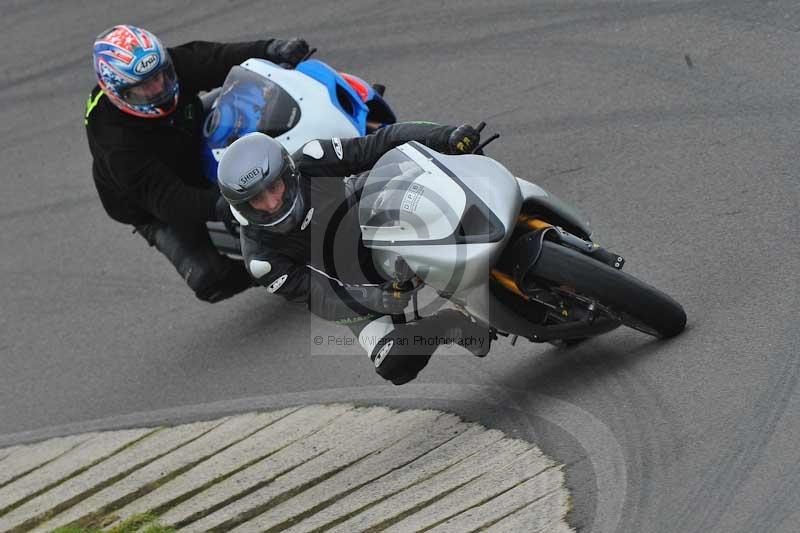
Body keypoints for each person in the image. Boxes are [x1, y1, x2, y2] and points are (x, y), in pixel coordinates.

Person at [216, 123, 492, 384]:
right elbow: (320, 298)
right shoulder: (261, 259)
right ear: (244, 207)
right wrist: (377, 300)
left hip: (377, 217)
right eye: (257, 199)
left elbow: (380, 142)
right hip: (356, 284)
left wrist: (445, 136)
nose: (272, 203)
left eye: (273, 188)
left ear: (287, 174)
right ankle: (448, 325)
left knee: (436, 191)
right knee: (395, 364)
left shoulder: (313, 158)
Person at [85, 24, 310, 302]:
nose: (159, 88)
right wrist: (228, 204)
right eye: (144, 87)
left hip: (188, 133)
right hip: (150, 200)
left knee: (256, 94)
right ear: (118, 92)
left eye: (161, 76)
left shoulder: (167, 67)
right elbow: (168, 198)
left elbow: (217, 57)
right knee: (209, 279)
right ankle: (271, 270)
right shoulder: (114, 139)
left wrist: (272, 49)